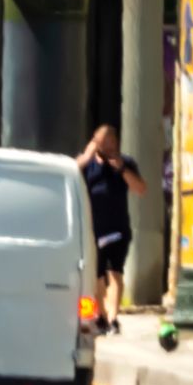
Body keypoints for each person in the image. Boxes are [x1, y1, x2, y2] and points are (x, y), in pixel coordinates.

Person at [76, 124, 136, 330]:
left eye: (112, 145)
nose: (109, 149)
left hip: (118, 229)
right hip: (94, 230)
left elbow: (141, 188)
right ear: (95, 142)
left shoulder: (125, 162)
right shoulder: (87, 164)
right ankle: (101, 315)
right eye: (103, 144)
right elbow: (71, 172)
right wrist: (87, 156)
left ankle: (113, 318)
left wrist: (122, 169)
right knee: (97, 277)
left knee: (115, 273)